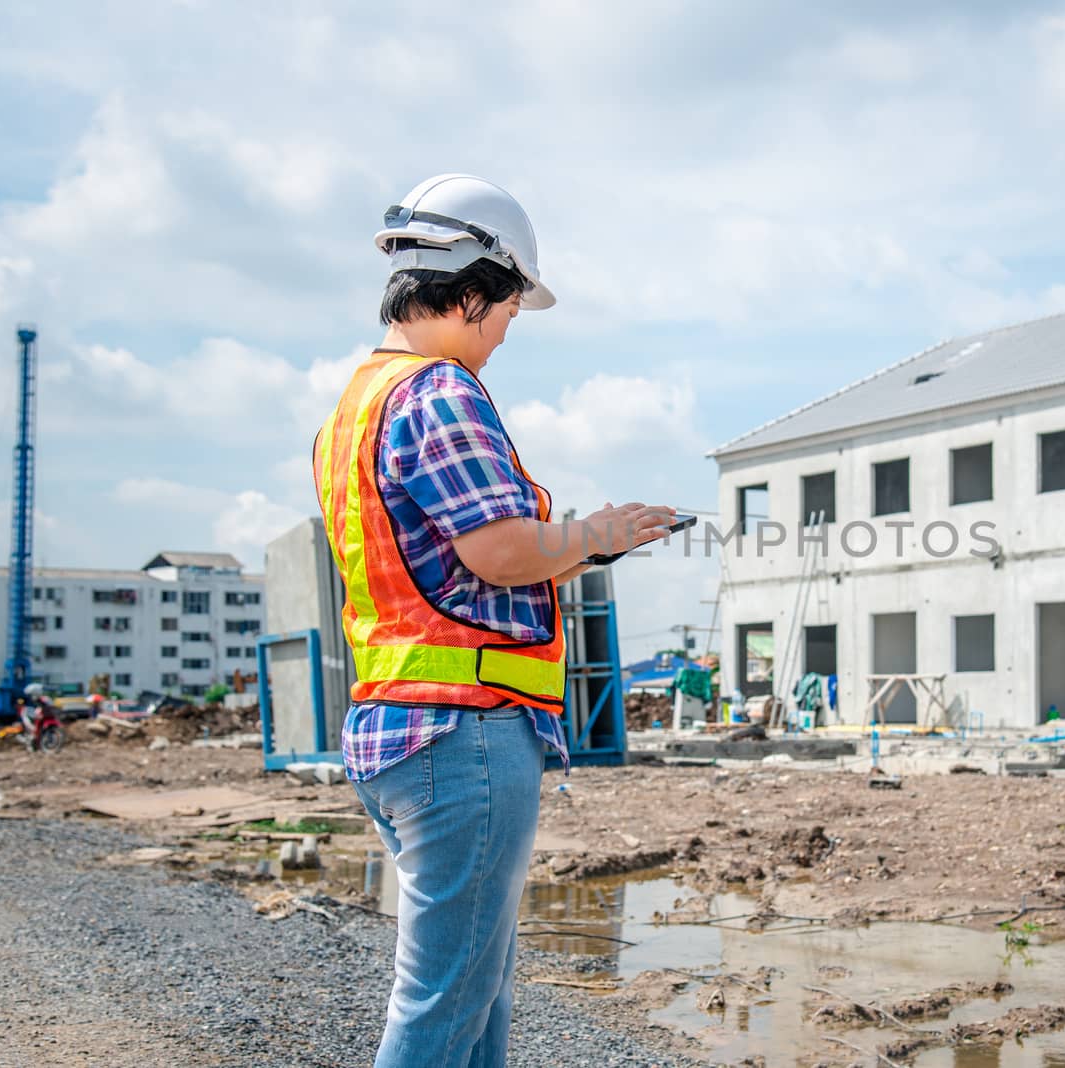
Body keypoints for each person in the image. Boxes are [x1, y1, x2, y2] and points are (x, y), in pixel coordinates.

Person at [313, 173, 673, 1068]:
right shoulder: (440, 391)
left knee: (475, 994)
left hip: (399, 726)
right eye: (510, 305)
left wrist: (587, 546)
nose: (510, 327)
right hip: (461, 734)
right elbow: (500, 552)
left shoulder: (351, 408)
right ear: (473, 287)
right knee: (441, 1009)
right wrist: (598, 532)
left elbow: (450, 568)